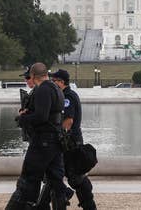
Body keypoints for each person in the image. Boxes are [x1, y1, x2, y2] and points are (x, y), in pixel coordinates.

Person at [6, 63, 67, 210]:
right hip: (55, 139)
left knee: (29, 178)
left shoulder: (43, 90)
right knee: (55, 179)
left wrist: (22, 118)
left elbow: (41, 116)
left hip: (43, 140)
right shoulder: (56, 88)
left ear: (33, 76)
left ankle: (24, 205)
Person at [50, 69, 97, 210]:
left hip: (70, 143)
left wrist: (58, 137)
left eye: (54, 81)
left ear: (61, 82)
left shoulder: (67, 97)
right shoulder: (67, 95)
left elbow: (68, 121)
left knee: (74, 177)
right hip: (72, 141)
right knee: (68, 176)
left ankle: (71, 197)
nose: (53, 84)